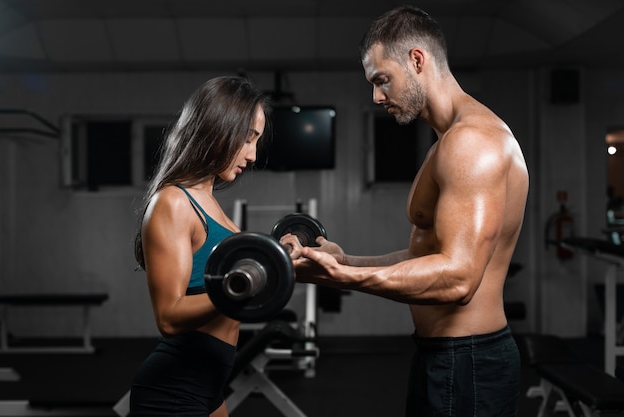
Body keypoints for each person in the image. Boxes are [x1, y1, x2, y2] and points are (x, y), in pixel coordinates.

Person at [281, 6, 529, 417]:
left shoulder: (472, 143)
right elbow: (428, 257)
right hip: (446, 356)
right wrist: (343, 262)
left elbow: (458, 279)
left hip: (466, 361)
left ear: (417, 60)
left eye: (382, 80)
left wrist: (348, 278)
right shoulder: (446, 143)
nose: (376, 97)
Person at [129, 76, 270, 416]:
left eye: (257, 141)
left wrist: (281, 257)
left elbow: (237, 278)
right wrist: (239, 288)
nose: (252, 155)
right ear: (220, 129)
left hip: (209, 385)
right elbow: (169, 317)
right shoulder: (174, 202)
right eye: (248, 138)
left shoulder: (208, 201)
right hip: (173, 391)